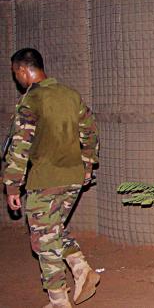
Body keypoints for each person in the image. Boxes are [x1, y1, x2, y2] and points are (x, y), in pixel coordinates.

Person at [3, 48, 100, 308]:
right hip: (73, 177)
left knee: (44, 242)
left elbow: (20, 146)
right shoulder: (70, 95)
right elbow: (90, 132)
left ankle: (59, 301)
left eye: (16, 73)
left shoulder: (31, 100)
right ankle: (80, 268)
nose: (17, 78)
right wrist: (88, 166)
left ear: (24, 70)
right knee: (52, 229)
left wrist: (12, 185)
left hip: (45, 178)